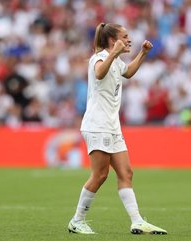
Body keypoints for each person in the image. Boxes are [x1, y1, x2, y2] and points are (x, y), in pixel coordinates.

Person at [67, 23, 167, 235]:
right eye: (125, 36)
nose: (129, 39)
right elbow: (100, 73)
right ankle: (77, 220)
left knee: (126, 172)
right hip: (97, 125)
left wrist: (143, 53)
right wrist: (113, 53)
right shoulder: (99, 58)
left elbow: (128, 72)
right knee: (100, 174)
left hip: (112, 126)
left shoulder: (116, 60)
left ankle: (137, 221)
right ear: (113, 41)